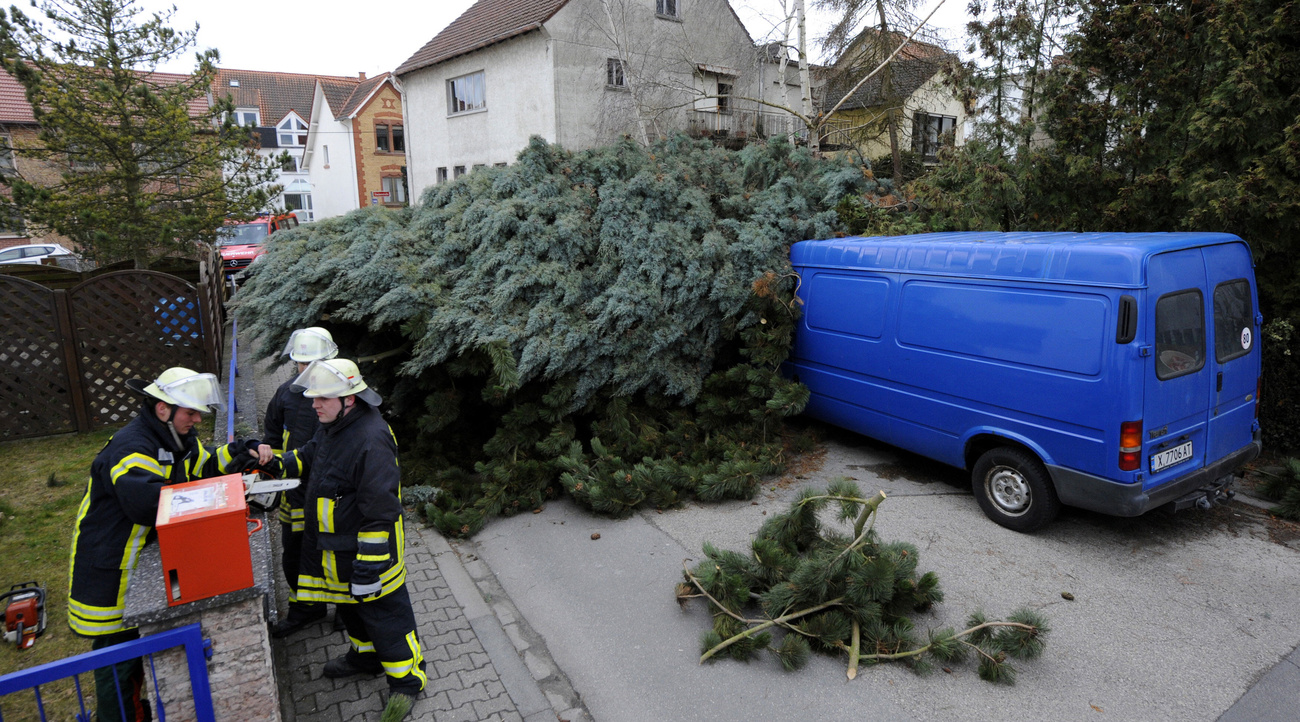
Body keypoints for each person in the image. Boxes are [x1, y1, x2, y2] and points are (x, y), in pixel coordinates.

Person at [68, 367, 270, 722]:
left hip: (131, 566)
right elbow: (151, 504)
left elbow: (205, 463)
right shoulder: (133, 448)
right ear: (163, 408)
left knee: (137, 660)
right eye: (190, 412)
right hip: (109, 572)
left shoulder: (173, 439)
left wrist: (246, 450)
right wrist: (215, 502)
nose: (197, 419)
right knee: (116, 665)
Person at [278, 358, 425, 719]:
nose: (314, 404)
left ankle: (407, 680)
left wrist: (368, 571)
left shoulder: (370, 440)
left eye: (323, 398)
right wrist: (273, 464)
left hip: (368, 559)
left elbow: (380, 513)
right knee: (353, 611)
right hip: (339, 551)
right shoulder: (334, 426)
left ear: (350, 399)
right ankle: (366, 657)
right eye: (314, 398)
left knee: (386, 617)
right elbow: (310, 457)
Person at [265, 327, 338, 637]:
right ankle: (305, 609)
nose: (305, 371)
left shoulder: (342, 397)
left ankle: (347, 609)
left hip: (329, 495)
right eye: (300, 364)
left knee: (336, 555)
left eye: (312, 364)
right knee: (294, 553)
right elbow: (271, 440)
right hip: (293, 493)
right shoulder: (284, 395)